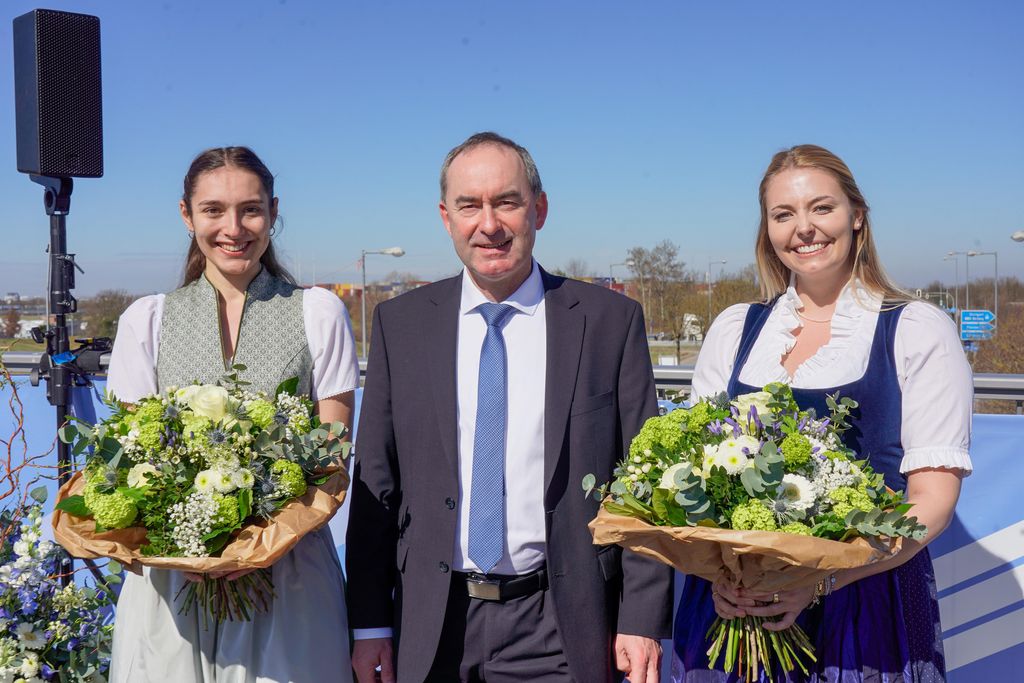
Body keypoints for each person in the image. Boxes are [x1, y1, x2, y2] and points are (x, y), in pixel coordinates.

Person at [346, 132, 674, 683]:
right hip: (432, 623)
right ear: (446, 217)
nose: (489, 224)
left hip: (561, 627)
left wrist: (642, 619)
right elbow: (376, 480)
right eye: (469, 205)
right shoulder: (401, 325)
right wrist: (370, 623)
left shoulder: (608, 323)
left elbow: (647, 482)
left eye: (507, 202)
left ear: (538, 210)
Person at [672, 144, 973, 682]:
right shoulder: (735, 329)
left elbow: (932, 502)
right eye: (783, 214)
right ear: (767, 230)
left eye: (822, 208)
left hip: (864, 606)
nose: (803, 228)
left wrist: (821, 581)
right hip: (734, 605)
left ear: (857, 215)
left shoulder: (915, 329)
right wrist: (721, 576)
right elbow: (696, 471)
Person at [105, 146, 359, 682]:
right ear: (186, 215)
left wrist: (257, 546)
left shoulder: (319, 313)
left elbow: (332, 458)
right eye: (214, 210)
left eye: (250, 209)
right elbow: (126, 463)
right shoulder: (145, 320)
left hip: (289, 576)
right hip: (173, 583)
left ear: (273, 211)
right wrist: (185, 547)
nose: (233, 228)